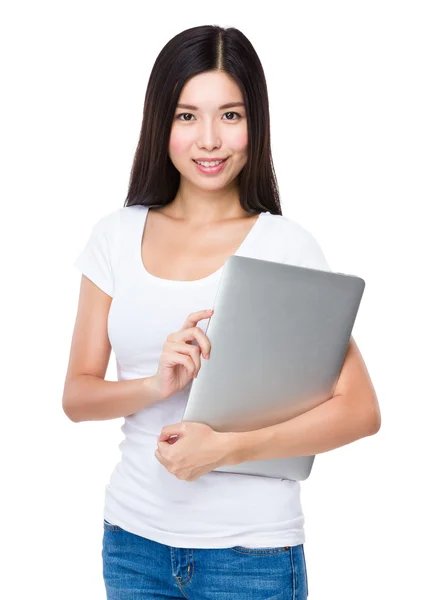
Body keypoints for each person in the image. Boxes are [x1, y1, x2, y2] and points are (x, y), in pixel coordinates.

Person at [63, 24, 381, 600]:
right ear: (161, 122)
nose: (209, 139)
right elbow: (77, 397)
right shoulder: (114, 236)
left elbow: (360, 410)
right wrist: (155, 385)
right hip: (133, 544)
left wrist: (225, 449)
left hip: (250, 554)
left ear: (254, 123)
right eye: (187, 116)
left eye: (230, 116)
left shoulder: (286, 245)